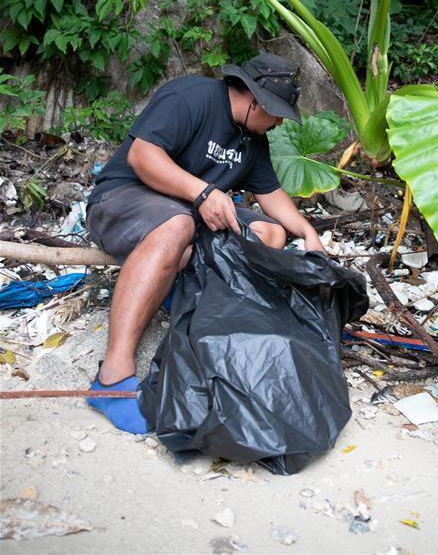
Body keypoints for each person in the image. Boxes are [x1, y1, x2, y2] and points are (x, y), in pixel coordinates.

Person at [85, 53, 324, 433]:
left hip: (187, 212)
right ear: (253, 100)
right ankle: (112, 377)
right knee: (177, 224)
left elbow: (272, 196)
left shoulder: (252, 138)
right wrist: (202, 193)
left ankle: (195, 310)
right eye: (276, 112)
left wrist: (308, 234)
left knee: (270, 233)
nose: (279, 122)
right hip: (122, 200)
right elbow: (142, 155)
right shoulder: (190, 97)